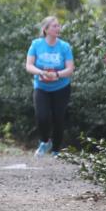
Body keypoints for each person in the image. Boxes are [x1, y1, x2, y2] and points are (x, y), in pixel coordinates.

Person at [25, 16, 75, 157]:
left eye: (58, 26)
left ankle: (56, 150)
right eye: (54, 26)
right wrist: (41, 72)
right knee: (42, 116)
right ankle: (44, 141)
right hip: (41, 87)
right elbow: (29, 65)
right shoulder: (36, 44)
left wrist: (57, 75)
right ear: (46, 30)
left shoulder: (64, 46)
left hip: (61, 87)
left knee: (58, 118)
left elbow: (70, 69)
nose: (58, 28)